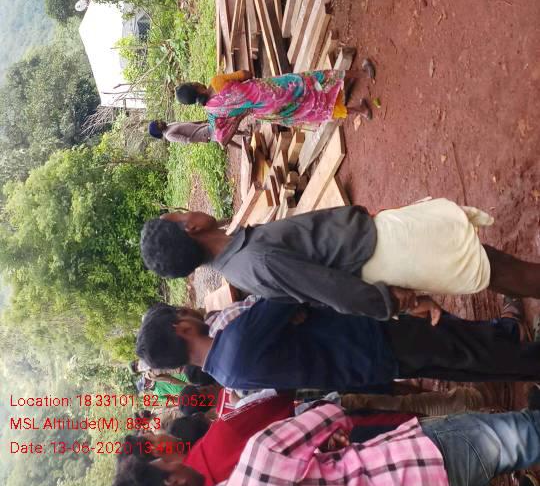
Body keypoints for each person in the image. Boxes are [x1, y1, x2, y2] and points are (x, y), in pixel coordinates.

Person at [140, 199, 540, 313]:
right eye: (180, 214)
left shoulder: (240, 257)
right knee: (495, 268)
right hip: (386, 250)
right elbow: (331, 290)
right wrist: (392, 301)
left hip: (376, 240)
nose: (189, 210)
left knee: (489, 264)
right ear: (190, 228)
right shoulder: (255, 261)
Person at [112, 397, 540, 486]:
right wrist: (325, 443)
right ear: (170, 480)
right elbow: (330, 414)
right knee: (519, 436)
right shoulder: (254, 461)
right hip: (419, 466)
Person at [135, 298, 540, 390]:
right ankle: (525, 355)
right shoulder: (237, 339)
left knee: (460, 362)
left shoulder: (225, 373)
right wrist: (288, 308)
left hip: (365, 366)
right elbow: (288, 292)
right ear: (181, 329)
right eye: (180, 313)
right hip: (370, 339)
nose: (187, 311)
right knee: (460, 349)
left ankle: (515, 346)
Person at [174, 68, 374, 145]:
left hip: (267, 111)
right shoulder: (216, 82)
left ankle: (361, 110)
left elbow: (222, 139)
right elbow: (246, 74)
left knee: (310, 110)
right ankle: (363, 73)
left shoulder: (212, 113)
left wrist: (241, 115)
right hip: (273, 89)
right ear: (196, 86)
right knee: (314, 81)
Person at [148, 119, 212, 145]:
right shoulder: (169, 135)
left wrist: (203, 121)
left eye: (158, 121)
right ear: (158, 130)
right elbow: (187, 140)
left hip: (204, 126)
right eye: (158, 124)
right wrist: (203, 138)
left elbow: (188, 123)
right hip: (205, 133)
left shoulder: (169, 125)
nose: (160, 122)